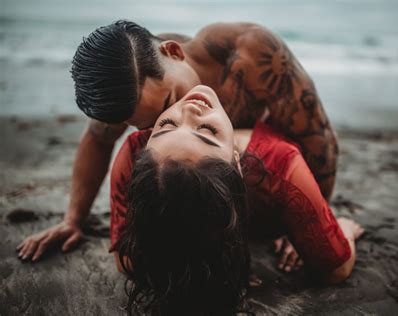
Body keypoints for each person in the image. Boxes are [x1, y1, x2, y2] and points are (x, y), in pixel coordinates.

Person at [17, 21, 340, 270]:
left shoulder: (250, 54)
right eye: (152, 124)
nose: (171, 117)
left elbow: (317, 138)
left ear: (173, 51)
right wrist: (74, 218)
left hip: (260, 189)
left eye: (169, 100)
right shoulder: (126, 86)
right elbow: (98, 140)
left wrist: (306, 227)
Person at [108, 85, 364, 314]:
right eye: (207, 131)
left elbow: (126, 259)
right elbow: (335, 270)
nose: (189, 110)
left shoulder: (134, 152)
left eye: (165, 126)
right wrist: (344, 227)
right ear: (237, 164)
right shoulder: (282, 165)